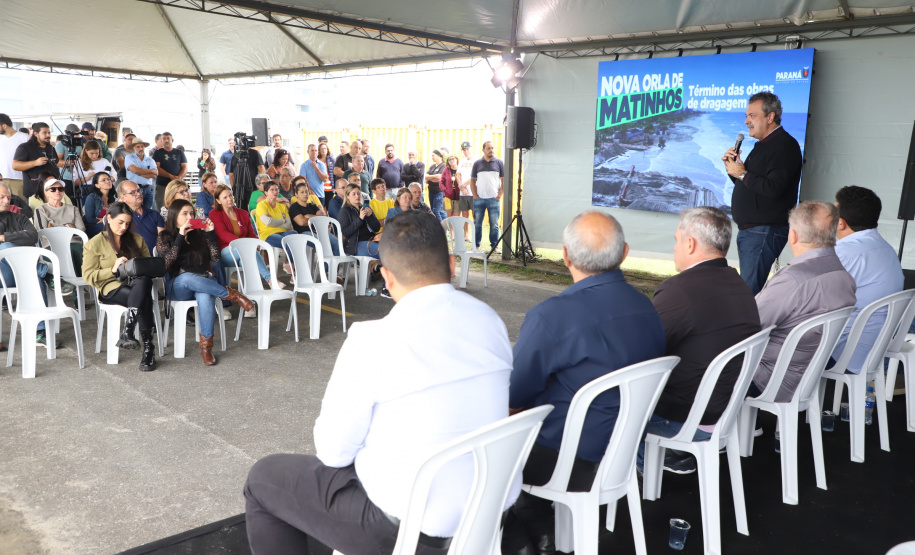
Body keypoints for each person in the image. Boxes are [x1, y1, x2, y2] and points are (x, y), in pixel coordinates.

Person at [244, 209, 515, 554]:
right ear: (450, 262)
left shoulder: (374, 339)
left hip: (401, 531)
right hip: (487, 515)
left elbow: (332, 452)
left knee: (263, 479)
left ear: (386, 277)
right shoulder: (490, 322)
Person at [504, 211, 665, 555]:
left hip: (567, 463)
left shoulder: (551, 316)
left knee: (491, 446)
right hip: (622, 453)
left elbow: (513, 400)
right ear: (624, 254)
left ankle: (534, 531)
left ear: (565, 256)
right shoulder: (648, 307)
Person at [638, 207, 761, 474]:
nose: (674, 248)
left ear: (690, 243)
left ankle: (642, 461)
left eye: (676, 240)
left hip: (685, 419)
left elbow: (640, 355)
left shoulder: (679, 289)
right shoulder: (739, 284)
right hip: (724, 412)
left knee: (605, 403)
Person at [751, 201, 856, 402]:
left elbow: (747, 327)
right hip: (808, 376)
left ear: (793, 236)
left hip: (769, 379)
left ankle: (702, 428)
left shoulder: (793, 280)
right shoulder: (843, 276)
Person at [721, 91, 804, 294]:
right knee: (748, 289)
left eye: (752, 116)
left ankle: (748, 326)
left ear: (770, 116)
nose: (746, 121)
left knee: (748, 293)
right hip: (755, 230)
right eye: (747, 116)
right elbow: (750, 183)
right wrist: (734, 170)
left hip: (764, 230)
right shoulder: (764, 145)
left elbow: (772, 188)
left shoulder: (784, 145)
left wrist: (742, 174)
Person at [157, 199, 254, 365]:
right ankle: (233, 295)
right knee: (188, 278)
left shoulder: (198, 235)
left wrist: (210, 233)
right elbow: (166, 263)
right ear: (174, 216)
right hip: (178, 286)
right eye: (185, 213)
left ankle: (206, 348)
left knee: (204, 295)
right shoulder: (165, 236)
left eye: (191, 213)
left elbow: (215, 258)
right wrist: (181, 236)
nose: (189, 216)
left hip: (203, 282)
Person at [831, 186, 903, 373]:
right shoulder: (886, 249)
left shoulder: (843, 253)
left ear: (840, 223)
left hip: (842, 354)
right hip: (874, 351)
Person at [82, 202, 157, 371]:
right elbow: (88, 276)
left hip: (137, 284)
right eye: (120, 222)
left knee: (143, 282)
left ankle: (129, 331)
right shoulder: (95, 244)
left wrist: (135, 267)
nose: (124, 227)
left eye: (127, 223)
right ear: (108, 218)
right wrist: (113, 269)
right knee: (143, 296)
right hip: (111, 287)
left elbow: (148, 266)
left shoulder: (137, 240)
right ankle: (148, 348)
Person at [0, 182, 63, 348]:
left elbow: (33, 237)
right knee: (6, 249)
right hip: (3, 276)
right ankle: (45, 272)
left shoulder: (19, 218)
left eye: (8, 197)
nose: (6, 201)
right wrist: (14, 239)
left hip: (23, 272)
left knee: (32, 275)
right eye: (1, 197)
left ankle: (40, 333)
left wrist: (3, 237)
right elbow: (24, 237)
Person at [210, 184, 281, 309]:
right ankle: (270, 279)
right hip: (226, 252)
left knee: (248, 261)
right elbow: (223, 235)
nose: (230, 199)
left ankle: (250, 303)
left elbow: (251, 233)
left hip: (243, 252)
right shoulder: (214, 213)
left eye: (230, 195)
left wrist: (254, 243)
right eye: (225, 197)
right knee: (246, 251)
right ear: (218, 200)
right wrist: (246, 245)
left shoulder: (242, 213)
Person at [34, 177, 86, 275]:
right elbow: (42, 232)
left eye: (60, 189)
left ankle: (82, 282)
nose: (57, 191)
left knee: (79, 250)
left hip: (73, 242)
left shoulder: (72, 208)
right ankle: (65, 285)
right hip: (51, 244)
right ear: (46, 192)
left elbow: (81, 231)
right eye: (53, 189)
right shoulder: (41, 209)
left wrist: (54, 228)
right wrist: (69, 226)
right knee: (62, 251)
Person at [12, 122, 60, 199]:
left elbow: (56, 162)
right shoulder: (25, 147)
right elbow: (15, 165)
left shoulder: (50, 148)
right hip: (34, 191)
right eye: (44, 133)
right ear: (36, 134)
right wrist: (35, 163)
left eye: (49, 133)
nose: (48, 135)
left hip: (51, 190)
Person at [470, 141, 504, 253]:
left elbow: (504, 180)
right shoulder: (477, 163)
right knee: (477, 223)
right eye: (489, 148)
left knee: (494, 224)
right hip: (479, 199)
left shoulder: (499, 162)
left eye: (492, 148)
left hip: (494, 199)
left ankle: (494, 246)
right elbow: (473, 181)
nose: (491, 150)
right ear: (483, 149)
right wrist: (475, 195)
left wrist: (499, 195)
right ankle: (476, 246)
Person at [290, 181, 340, 256]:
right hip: (303, 233)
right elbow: (302, 222)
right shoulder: (294, 207)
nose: (305, 194)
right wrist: (316, 218)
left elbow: (323, 219)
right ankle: (325, 267)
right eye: (302, 192)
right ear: (296, 194)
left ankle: (333, 267)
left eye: (306, 191)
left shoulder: (312, 206)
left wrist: (308, 216)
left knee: (336, 243)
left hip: (318, 231)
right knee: (323, 244)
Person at [119, 180, 164, 253]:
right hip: (133, 260)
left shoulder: (154, 214)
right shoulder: (121, 218)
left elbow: (163, 240)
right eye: (133, 193)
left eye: (139, 190)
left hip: (155, 259)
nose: (139, 194)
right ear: (123, 198)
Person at [253, 181, 297, 253]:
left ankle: (288, 262)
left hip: (283, 232)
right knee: (287, 241)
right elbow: (268, 222)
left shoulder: (282, 206)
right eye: (272, 190)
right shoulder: (261, 205)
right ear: (266, 192)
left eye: (276, 189)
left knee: (295, 235)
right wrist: (282, 221)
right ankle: (291, 263)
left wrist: (273, 222)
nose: (275, 192)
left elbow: (288, 224)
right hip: (267, 234)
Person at [153, 132, 188, 210]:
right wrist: (170, 176)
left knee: (178, 206)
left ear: (172, 140)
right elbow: (157, 168)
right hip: (162, 185)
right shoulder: (157, 153)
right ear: (161, 141)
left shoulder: (179, 153)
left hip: (177, 185)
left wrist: (179, 177)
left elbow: (185, 167)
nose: (166, 140)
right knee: (162, 207)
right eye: (164, 139)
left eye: (168, 138)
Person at [124, 138, 158, 212]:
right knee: (134, 210)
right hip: (135, 189)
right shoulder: (129, 157)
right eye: (138, 147)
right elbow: (134, 170)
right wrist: (149, 171)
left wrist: (139, 172)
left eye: (142, 146)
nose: (140, 148)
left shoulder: (150, 160)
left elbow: (155, 174)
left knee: (147, 211)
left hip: (148, 188)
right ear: (134, 147)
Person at [0, 114, 30, 198]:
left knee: (18, 206)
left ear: (4, 126)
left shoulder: (24, 138)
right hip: (2, 178)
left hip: (19, 179)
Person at [229, 144, 266, 210]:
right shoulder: (235, 156)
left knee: (253, 209)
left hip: (253, 188)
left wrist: (260, 185)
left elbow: (261, 168)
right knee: (240, 210)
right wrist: (234, 188)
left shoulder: (254, 153)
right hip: (238, 190)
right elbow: (231, 174)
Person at [83, 172, 116, 238]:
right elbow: (90, 219)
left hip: (111, 224)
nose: (108, 181)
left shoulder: (114, 197)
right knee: (111, 227)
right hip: (94, 227)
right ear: (97, 185)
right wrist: (105, 220)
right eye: (103, 180)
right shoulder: (92, 197)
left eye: (109, 179)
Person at [456, 142, 475, 241]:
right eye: (464, 150)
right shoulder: (461, 162)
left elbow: (474, 177)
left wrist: (463, 185)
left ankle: (475, 235)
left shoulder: (476, 161)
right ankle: (466, 234)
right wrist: (461, 187)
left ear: (471, 149)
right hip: (463, 192)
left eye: (467, 149)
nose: (466, 151)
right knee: (465, 214)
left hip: (474, 192)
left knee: (475, 213)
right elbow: (458, 175)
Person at [425, 149, 446, 221]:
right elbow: (426, 177)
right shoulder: (432, 166)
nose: (432, 157)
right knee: (433, 211)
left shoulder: (443, 166)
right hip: (431, 191)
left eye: (433, 155)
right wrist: (433, 177)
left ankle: (441, 229)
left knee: (436, 211)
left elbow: (439, 178)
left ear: (439, 156)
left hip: (439, 192)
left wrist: (430, 178)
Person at [441, 154, 462, 219]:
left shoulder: (460, 169)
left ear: (456, 160)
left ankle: (456, 229)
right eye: (449, 159)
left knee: (456, 216)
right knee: (449, 217)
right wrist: (446, 190)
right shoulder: (445, 170)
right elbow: (441, 182)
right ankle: (450, 229)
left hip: (458, 196)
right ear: (448, 162)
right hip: (448, 197)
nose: (451, 160)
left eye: (453, 158)